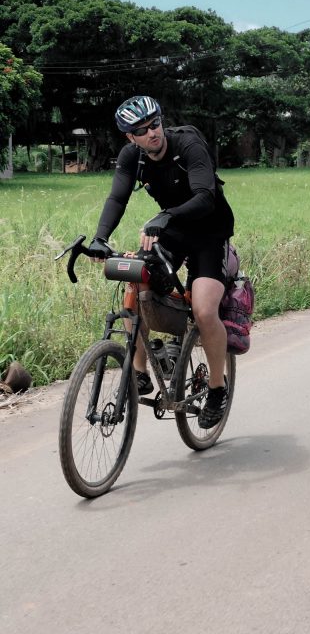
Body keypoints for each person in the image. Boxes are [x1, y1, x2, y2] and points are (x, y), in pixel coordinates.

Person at [88, 95, 235, 429]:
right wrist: (100, 238)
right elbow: (116, 197)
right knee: (134, 279)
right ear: (130, 137)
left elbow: (205, 196)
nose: (151, 133)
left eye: (155, 124)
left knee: (204, 310)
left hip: (209, 233)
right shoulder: (132, 158)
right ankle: (139, 373)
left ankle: (216, 388)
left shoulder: (188, 144)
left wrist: (166, 215)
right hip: (170, 231)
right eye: (141, 130)